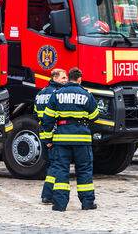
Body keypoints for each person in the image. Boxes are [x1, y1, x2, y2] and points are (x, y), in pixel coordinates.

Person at [43, 67, 99, 212]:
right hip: (82, 139)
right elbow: (94, 116)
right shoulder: (87, 94)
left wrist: (48, 138)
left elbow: (48, 119)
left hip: (62, 139)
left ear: (68, 78)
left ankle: (60, 205)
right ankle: (87, 203)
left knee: (61, 170)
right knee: (84, 170)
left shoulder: (57, 94)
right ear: (80, 79)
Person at [33, 68, 68, 204]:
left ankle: (50, 193)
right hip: (54, 133)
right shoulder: (58, 94)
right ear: (55, 78)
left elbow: (36, 114)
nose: (65, 80)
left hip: (43, 133)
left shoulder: (40, 93)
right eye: (63, 78)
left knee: (51, 164)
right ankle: (47, 194)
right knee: (56, 165)